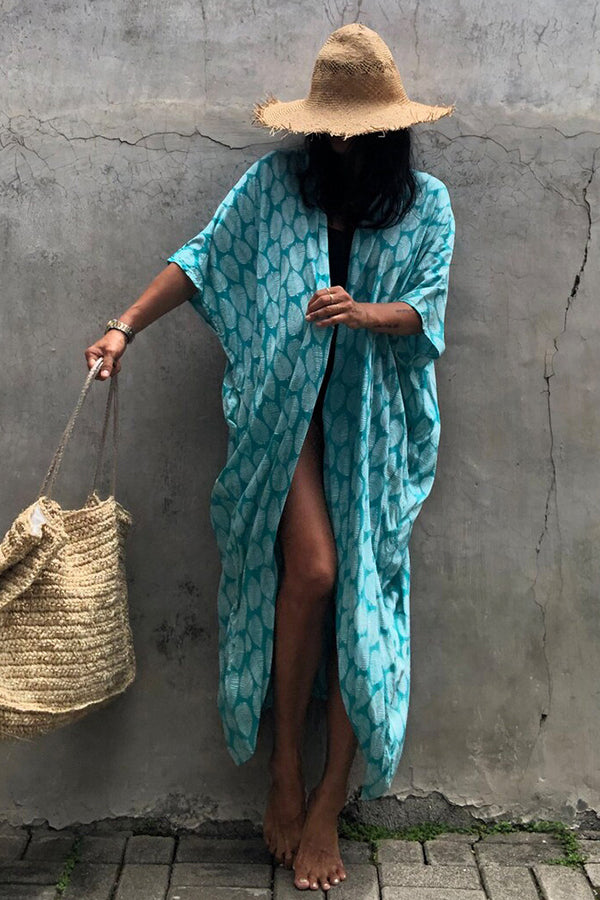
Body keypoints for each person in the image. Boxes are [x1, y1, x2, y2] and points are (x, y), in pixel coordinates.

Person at [85, 23, 456, 893]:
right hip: (282, 417)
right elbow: (202, 259)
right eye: (333, 130)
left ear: (391, 130)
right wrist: (123, 326)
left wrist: (361, 311)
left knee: (362, 602)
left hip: (373, 425)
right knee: (315, 572)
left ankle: (329, 800)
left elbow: (427, 309)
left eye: (358, 130)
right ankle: (285, 766)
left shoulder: (426, 203)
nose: (343, 144)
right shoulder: (275, 185)